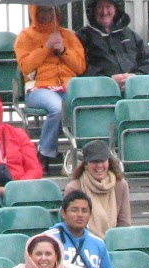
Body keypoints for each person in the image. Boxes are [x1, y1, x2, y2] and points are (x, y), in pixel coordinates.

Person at [14, 5, 86, 169]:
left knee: (82, 106)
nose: (46, 15)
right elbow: (25, 66)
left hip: (68, 87)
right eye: (41, 11)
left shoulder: (68, 35)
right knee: (57, 107)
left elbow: (80, 66)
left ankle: (81, 153)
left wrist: (63, 50)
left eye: (49, 10)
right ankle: (45, 152)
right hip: (39, 88)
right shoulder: (25, 36)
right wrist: (45, 48)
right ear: (34, 13)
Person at [79, 0, 149, 86]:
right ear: (92, 10)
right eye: (100, 7)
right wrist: (109, 80)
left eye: (108, 6)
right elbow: (80, 69)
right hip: (101, 92)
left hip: (136, 89)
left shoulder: (129, 34)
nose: (104, 12)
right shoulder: (83, 37)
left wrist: (136, 76)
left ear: (116, 8)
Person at [65, 142, 129, 235]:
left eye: (103, 161)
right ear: (85, 165)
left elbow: (124, 222)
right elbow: (72, 224)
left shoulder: (121, 185)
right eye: (94, 162)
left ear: (109, 162)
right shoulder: (74, 188)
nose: (99, 166)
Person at [48, 189, 113, 268]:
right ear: (63, 213)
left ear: (90, 214)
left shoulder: (99, 243)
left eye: (84, 211)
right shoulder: (48, 239)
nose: (80, 215)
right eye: (74, 210)